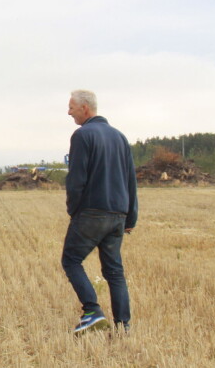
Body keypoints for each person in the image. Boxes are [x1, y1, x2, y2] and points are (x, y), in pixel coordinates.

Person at [62, 89, 138, 334]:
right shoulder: (120, 137)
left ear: (85, 108)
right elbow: (130, 181)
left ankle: (92, 311)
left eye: (72, 107)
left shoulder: (82, 135)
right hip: (118, 215)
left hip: (92, 213)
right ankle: (123, 326)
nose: (69, 111)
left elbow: (76, 180)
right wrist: (131, 217)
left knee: (71, 261)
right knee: (114, 271)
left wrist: (74, 210)